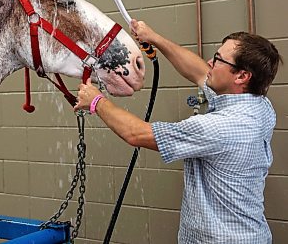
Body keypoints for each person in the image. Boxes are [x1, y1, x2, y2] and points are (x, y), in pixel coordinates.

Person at [74, 19, 282, 244]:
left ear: (242, 76)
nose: (210, 62)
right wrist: (154, 37)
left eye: (219, 60)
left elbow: (137, 134)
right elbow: (199, 71)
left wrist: (96, 101)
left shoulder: (219, 127)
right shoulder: (258, 105)